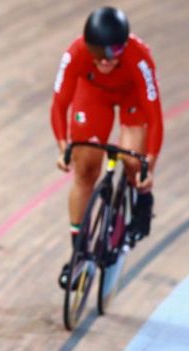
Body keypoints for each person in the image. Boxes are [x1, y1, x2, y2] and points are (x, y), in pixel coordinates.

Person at [51, 6, 163, 286]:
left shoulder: (140, 60)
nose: (104, 62)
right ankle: (79, 254)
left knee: (133, 160)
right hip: (94, 95)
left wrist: (151, 164)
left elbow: (155, 116)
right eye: (97, 55)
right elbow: (59, 104)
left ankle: (142, 199)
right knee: (85, 169)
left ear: (123, 47)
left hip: (132, 98)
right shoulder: (75, 54)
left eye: (111, 55)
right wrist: (63, 146)